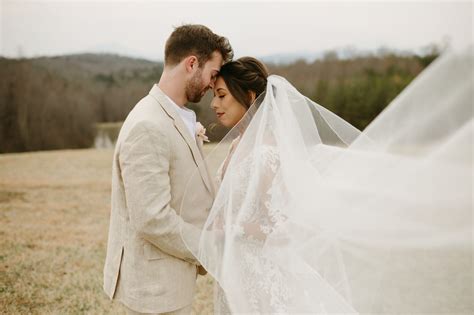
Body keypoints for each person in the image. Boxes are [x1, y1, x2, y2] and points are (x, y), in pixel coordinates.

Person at [181, 51, 473, 314]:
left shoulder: (268, 152)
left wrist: (231, 228)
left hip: (264, 274)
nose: (214, 104)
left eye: (221, 95)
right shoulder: (235, 146)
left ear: (248, 95)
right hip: (236, 273)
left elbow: (284, 226)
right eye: (214, 96)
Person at [103, 24, 233, 315]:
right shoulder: (148, 125)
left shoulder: (176, 117)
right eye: (213, 75)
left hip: (170, 286)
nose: (213, 85)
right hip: (153, 294)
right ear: (191, 64)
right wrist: (211, 246)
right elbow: (151, 217)